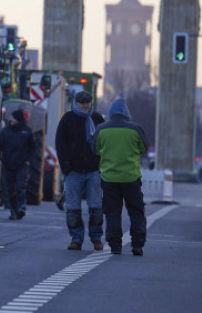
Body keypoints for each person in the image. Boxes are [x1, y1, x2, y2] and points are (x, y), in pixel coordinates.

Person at [93, 98, 148, 256]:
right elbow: (143, 148)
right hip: (131, 178)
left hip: (109, 178)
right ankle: (137, 244)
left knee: (112, 213)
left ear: (110, 112)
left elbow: (95, 149)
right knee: (136, 212)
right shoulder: (136, 129)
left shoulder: (101, 129)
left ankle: (115, 245)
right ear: (126, 112)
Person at [55, 90, 106, 251]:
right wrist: (65, 166)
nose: (85, 106)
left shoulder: (97, 119)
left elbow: (104, 143)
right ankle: (76, 239)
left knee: (96, 207)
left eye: (87, 103)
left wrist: (101, 165)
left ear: (91, 103)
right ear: (76, 104)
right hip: (74, 171)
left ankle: (96, 238)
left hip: (93, 170)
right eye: (82, 103)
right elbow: (60, 144)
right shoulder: (67, 120)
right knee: (73, 207)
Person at [0, 108, 35, 220]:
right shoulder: (5, 131)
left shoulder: (27, 131)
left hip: (22, 164)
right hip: (8, 164)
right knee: (10, 189)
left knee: (20, 186)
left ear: (18, 119)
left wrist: (29, 160)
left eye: (13, 117)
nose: (11, 119)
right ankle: (13, 210)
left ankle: (21, 207)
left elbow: (33, 147)